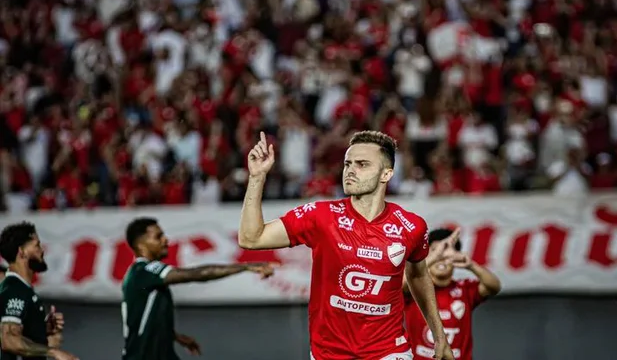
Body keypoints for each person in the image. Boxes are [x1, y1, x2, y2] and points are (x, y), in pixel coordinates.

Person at [239, 131, 455, 360]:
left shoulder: (412, 226)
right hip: (329, 353)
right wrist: (257, 178)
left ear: (386, 174)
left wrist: (439, 336)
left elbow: (419, 276)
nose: (351, 170)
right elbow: (251, 238)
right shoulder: (320, 216)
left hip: (388, 351)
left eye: (362, 164)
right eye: (347, 164)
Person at [121, 217, 276, 360]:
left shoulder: (142, 276)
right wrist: (246, 267)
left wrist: (174, 336)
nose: (165, 239)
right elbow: (195, 274)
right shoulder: (143, 271)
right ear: (141, 245)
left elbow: (140, 317)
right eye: (158, 236)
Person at [403, 227, 502, 360]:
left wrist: (470, 265)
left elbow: (494, 287)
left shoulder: (464, 289)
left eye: (447, 253)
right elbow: (402, 283)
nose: (441, 257)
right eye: (436, 251)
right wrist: (431, 258)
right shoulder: (415, 288)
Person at [0, 222, 79, 360]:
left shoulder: (24, 290)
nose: (42, 250)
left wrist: (43, 330)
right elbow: (9, 340)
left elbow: (26, 339)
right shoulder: (15, 290)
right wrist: (54, 352)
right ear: (22, 252)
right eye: (37, 245)